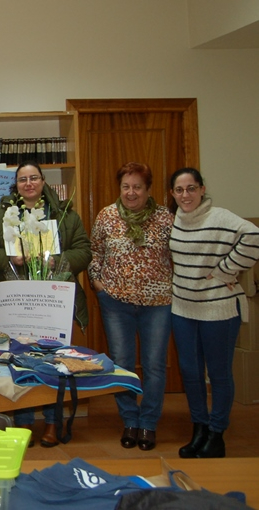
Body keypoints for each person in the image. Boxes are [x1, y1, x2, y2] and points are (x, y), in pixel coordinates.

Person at [0, 161, 92, 447]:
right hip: (17, 299)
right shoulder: (3, 213)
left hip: (52, 300)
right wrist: (11, 259)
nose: (28, 184)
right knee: (20, 361)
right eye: (22, 179)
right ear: (15, 185)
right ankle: (24, 422)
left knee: (53, 362)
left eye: (34, 178)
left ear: (43, 181)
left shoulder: (64, 213)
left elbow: (83, 250)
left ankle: (53, 423)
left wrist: (57, 261)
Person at [168, 168, 259, 459]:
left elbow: (254, 236)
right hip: (183, 308)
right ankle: (200, 428)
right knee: (191, 372)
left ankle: (217, 434)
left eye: (191, 188)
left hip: (218, 309)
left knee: (218, 374)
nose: (185, 195)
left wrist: (226, 270)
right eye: (179, 190)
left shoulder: (220, 217)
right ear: (172, 193)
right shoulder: (175, 220)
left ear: (202, 189)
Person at [88, 163, 173, 451]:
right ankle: (130, 421)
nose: (131, 192)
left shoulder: (165, 218)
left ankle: (148, 423)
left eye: (137, 187)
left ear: (148, 189)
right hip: (116, 303)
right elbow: (95, 251)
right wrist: (98, 283)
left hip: (157, 303)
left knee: (154, 365)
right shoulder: (107, 216)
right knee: (122, 364)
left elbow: (178, 254)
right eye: (126, 186)